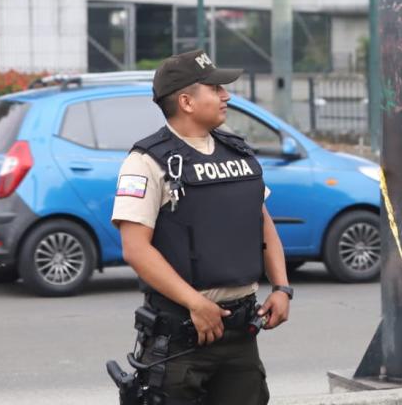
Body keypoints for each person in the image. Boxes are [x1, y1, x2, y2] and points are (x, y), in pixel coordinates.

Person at [111, 49, 291, 404]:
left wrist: (283, 287)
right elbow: (135, 248)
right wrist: (196, 303)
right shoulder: (145, 161)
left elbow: (263, 222)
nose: (226, 96)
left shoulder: (237, 153)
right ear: (186, 102)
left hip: (240, 333)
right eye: (216, 89)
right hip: (181, 336)